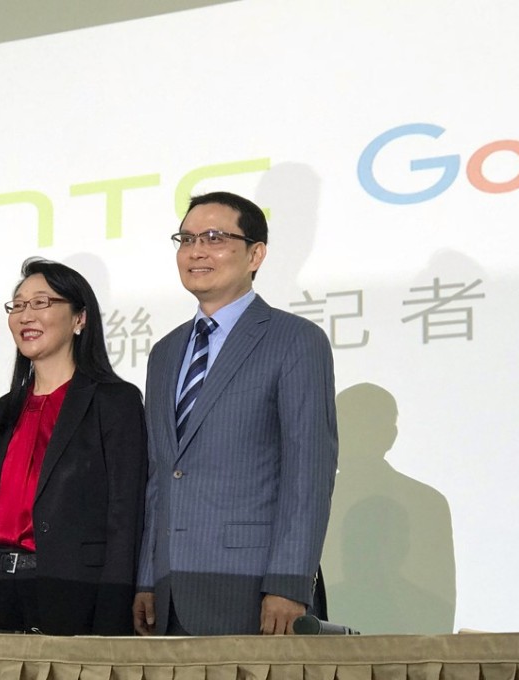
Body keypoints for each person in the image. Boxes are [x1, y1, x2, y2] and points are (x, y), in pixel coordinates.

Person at [133, 191, 338, 636]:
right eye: (186, 239)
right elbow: (159, 474)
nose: (196, 251)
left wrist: (289, 581)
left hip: (254, 584)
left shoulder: (295, 339)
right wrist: (148, 577)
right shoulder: (165, 352)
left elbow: (310, 471)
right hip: (170, 589)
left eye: (214, 237)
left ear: (255, 254)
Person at [0, 257, 147, 635]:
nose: (25, 315)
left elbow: (125, 517)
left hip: (74, 595)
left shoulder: (115, 402)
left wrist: (113, 614)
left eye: (41, 303)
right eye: (18, 305)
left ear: (80, 318)